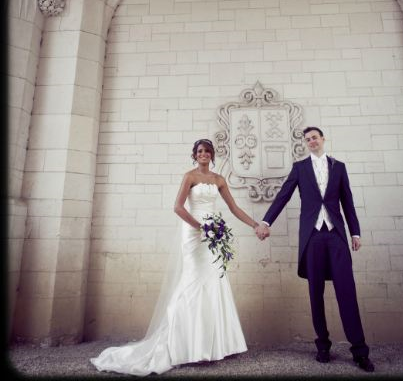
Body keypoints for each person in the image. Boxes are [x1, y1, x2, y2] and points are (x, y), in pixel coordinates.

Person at [91, 138, 258, 375]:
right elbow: (178, 207)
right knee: (192, 283)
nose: (203, 154)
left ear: (212, 155)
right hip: (194, 232)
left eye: (207, 151)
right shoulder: (189, 176)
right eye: (200, 151)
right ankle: (184, 345)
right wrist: (201, 227)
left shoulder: (219, 180)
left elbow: (234, 208)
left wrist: (255, 225)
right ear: (195, 155)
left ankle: (213, 346)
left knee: (214, 282)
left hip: (213, 234)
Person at [255, 126, 375, 373]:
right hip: (312, 237)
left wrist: (355, 232)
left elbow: (348, 202)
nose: (311, 141)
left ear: (323, 139)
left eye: (314, 138)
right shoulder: (300, 168)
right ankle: (323, 347)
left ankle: (360, 352)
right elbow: (283, 196)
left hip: (336, 235)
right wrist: (266, 222)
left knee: (347, 292)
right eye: (307, 139)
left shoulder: (339, 167)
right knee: (315, 293)